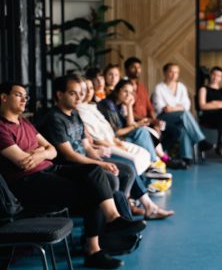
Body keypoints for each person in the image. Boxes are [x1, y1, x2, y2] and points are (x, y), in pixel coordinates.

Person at [0, 81, 146, 269]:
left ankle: (112, 218)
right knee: (92, 190)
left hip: (48, 168)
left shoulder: (25, 123)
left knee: (93, 172)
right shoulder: (2, 128)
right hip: (28, 181)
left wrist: (40, 153)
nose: (24, 100)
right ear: (4, 97)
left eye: (25, 96)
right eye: (19, 95)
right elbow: (22, 161)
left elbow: (51, 150)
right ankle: (93, 250)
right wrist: (42, 152)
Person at [78, 77, 174, 217]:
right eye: (83, 90)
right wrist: (107, 144)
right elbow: (90, 141)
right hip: (99, 149)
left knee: (140, 147)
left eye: (90, 89)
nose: (86, 93)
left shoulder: (92, 107)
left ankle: (142, 199)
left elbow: (106, 131)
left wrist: (114, 140)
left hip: (109, 142)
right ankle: (135, 205)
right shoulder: (86, 109)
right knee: (129, 164)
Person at [151, 63, 213, 165]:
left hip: (180, 118)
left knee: (183, 126)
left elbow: (186, 105)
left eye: (176, 72)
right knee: (184, 114)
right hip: (163, 118)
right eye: (171, 71)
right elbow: (162, 108)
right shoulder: (159, 88)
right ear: (165, 72)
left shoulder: (181, 87)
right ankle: (201, 141)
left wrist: (173, 108)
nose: (173, 74)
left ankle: (186, 159)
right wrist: (178, 107)